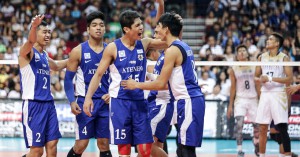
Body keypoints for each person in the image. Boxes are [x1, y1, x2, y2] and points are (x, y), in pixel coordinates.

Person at [83, 2, 167, 156]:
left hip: (140, 103)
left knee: (145, 149)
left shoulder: (145, 43)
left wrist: (160, 6)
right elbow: (98, 74)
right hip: (120, 103)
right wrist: (88, 97)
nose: (141, 27)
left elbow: (166, 39)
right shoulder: (113, 48)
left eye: (141, 24)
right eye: (137, 25)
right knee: (124, 149)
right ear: (127, 29)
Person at [121, 12, 205, 157]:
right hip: (184, 100)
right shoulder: (179, 46)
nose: (155, 31)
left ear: (166, 29)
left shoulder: (172, 50)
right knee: (182, 148)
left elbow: (160, 83)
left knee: (185, 150)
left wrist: (136, 84)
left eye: (158, 27)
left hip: (187, 100)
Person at [63, 11, 112, 157]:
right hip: (85, 102)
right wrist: (72, 101)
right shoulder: (78, 51)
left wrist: (112, 94)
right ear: (88, 29)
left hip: (105, 103)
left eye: (101, 25)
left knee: (104, 143)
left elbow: (118, 77)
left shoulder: (111, 50)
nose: (98, 28)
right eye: (95, 25)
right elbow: (67, 79)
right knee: (81, 145)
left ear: (105, 29)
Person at [19, 15, 67, 157]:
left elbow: (57, 65)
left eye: (49, 32)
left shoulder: (44, 55)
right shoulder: (27, 52)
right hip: (34, 105)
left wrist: (76, 58)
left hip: (48, 104)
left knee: (52, 145)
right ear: (36, 33)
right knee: (37, 151)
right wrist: (34, 26)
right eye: (44, 32)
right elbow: (30, 41)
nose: (47, 35)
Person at [255, 32, 293, 157]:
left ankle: (286, 154)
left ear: (277, 44)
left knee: (281, 127)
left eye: (270, 39)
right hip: (265, 93)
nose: (267, 41)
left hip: (278, 93)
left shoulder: (284, 58)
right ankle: (262, 154)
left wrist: (270, 78)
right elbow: (256, 75)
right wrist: (259, 78)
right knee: (262, 127)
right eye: (268, 39)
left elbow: (289, 79)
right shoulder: (261, 57)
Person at [227, 44, 260, 157]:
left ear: (247, 53)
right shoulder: (233, 68)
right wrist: (230, 105)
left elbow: (258, 84)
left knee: (257, 126)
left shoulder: (254, 66)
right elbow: (232, 87)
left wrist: (260, 99)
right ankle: (240, 149)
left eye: (243, 50)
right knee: (239, 124)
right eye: (239, 51)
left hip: (253, 98)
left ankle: (256, 143)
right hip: (240, 99)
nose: (241, 52)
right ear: (237, 55)